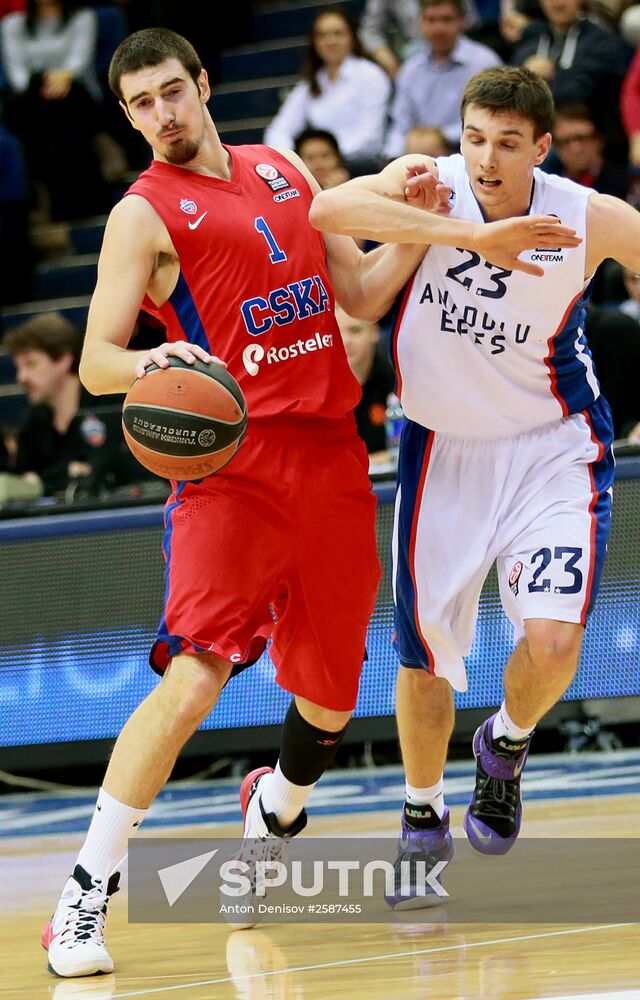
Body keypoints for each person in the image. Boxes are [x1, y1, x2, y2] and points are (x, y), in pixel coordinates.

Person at [40, 29, 581, 977]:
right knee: (196, 678)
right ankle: (86, 895)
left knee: (329, 699)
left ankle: (275, 812)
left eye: (174, 91)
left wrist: (412, 223)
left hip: (331, 460)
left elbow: (362, 295)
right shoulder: (144, 215)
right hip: (233, 473)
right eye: (141, 105)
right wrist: (156, 360)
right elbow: (94, 363)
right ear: (127, 118)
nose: (163, 115)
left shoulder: (287, 172)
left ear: (205, 86)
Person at [309, 64, 640, 906]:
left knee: (557, 643)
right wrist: (461, 233)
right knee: (425, 663)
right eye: (474, 138)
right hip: (441, 448)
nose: (486, 159)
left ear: (542, 148)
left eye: (506, 144)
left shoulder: (586, 215)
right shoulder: (429, 182)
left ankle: (508, 742)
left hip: (550, 446)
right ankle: (422, 814)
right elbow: (325, 210)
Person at [3, 312, 143, 497]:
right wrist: (69, 470)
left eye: (31, 364)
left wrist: (46, 479)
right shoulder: (35, 422)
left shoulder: (110, 403)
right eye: (18, 367)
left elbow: (115, 467)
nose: (21, 377)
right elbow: (21, 482)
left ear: (63, 359)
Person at [0, 0, 112, 220]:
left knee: (62, 109)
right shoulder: (12, 25)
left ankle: (53, 199)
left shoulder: (83, 17)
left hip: (75, 90)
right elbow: (17, 75)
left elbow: (79, 62)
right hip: (31, 97)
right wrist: (43, 83)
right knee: (31, 112)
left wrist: (62, 78)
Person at [263, 7, 392, 173]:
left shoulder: (371, 75)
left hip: (360, 166)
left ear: (352, 38)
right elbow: (280, 128)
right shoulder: (311, 82)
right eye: (322, 35)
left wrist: (328, 159)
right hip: (316, 167)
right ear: (314, 42)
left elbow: (370, 138)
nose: (330, 41)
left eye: (338, 33)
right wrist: (294, 158)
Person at [382, 0, 502, 160]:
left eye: (446, 19)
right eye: (431, 20)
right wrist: (390, 158)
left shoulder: (484, 63)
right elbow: (400, 125)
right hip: (416, 155)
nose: (438, 28)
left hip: (469, 155)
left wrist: (438, 137)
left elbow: (491, 120)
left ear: (462, 21)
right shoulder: (411, 69)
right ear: (421, 23)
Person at [336, 304, 396, 457]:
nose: (346, 340)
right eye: (336, 332)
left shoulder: (396, 375)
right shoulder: (319, 388)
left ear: (375, 332)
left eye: (355, 331)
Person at [549, 103, 630, 199]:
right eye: (565, 142)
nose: (576, 149)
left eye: (582, 138)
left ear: (599, 140)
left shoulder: (627, 183)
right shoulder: (550, 189)